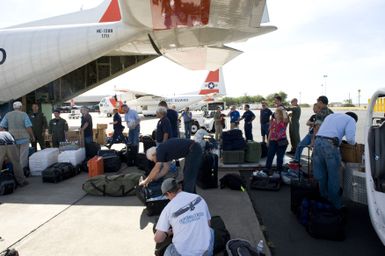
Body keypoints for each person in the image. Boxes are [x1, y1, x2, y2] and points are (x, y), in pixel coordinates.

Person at [154, 178, 214, 256]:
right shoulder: (199, 198)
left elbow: (158, 239)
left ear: (168, 193)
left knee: (169, 250)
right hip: (205, 252)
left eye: (166, 196)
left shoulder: (168, 208)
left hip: (183, 254)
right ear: (180, 187)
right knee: (211, 231)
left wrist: (167, 233)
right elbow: (208, 224)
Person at [312, 112, 358, 209]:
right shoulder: (351, 120)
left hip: (317, 142)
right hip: (330, 145)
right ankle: (336, 205)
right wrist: (354, 143)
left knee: (321, 175)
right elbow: (350, 139)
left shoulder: (331, 116)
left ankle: (323, 200)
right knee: (334, 176)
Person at [0, 101, 35, 170]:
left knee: (15, 157)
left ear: (13, 107)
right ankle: (22, 172)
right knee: (23, 156)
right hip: (24, 139)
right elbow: (28, 127)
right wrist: (32, 136)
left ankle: (16, 173)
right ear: (21, 107)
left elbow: (1, 127)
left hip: (12, 140)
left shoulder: (8, 115)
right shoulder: (24, 114)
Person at [265, 108, 288, 173]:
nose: (275, 114)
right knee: (270, 155)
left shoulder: (283, 122)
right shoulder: (273, 122)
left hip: (282, 141)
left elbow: (286, 119)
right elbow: (270, 132)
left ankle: (279, 170)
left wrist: (283, 110)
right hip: (273, 141)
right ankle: (267, 169)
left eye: (276, 113)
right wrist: (268, 141)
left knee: (280, 157)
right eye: (275, 113)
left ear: (280, 115)